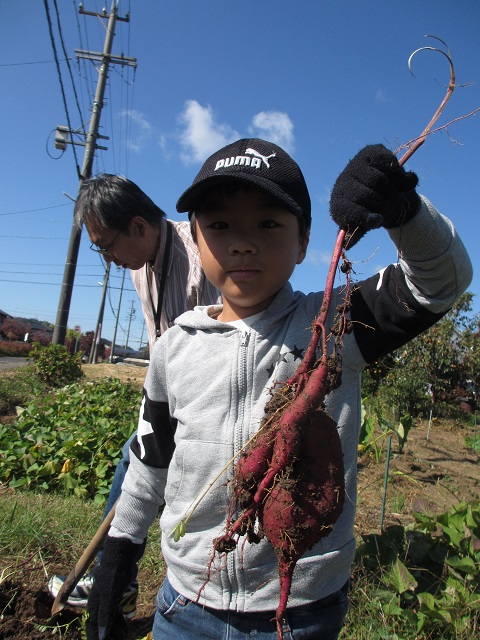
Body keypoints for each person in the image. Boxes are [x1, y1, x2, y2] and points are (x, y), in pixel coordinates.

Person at [85, 138, 472, 640]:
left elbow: (442, 281)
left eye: (268, 223)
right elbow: (150, 463)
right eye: (220, 226)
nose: (242, 243)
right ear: (195, 238)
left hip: (300, 612)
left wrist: (406, 211)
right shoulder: (174, 346)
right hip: (184, 601)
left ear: (303, 242)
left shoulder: (334, 325)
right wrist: (117, 558)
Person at [47, 174, 219, 618]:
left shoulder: (199, 259)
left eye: (105, 245)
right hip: (170, 399)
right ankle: (114, 582)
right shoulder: (141, 266)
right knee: (132, 464)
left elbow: (219, 344)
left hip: (210, 407)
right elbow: (161, 345)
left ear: (139, 226)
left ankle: (199, 604)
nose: (106, 258)